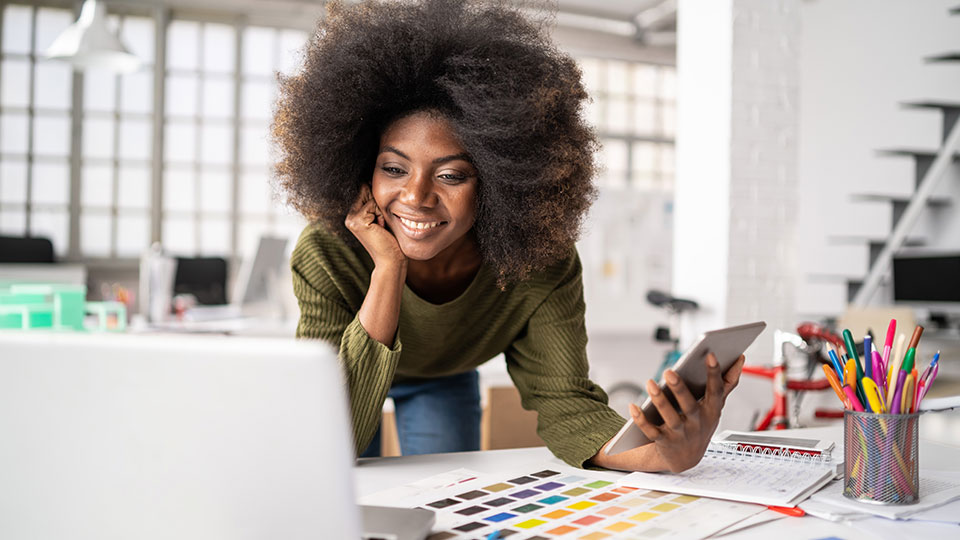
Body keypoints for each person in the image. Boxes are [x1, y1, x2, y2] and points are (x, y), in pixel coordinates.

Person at [273, 0, 745, 472]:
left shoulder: (537, 261)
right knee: (337, 483)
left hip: (445, 377)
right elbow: (330, 436)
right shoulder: (326, 252)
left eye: (451, 175)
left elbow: (565, 401)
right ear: (361, 167)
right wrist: (389, 268)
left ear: (499, 184)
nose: (416, 196)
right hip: (349, 372)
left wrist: (661, 454)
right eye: (394, 168)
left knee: (443, 494)